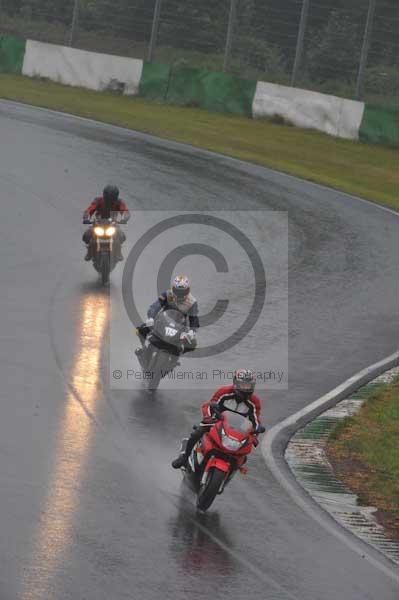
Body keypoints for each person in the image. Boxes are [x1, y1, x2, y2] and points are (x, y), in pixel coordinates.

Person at [171, 368, 264, 469]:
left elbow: (256, 420)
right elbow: (209, 405)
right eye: (243, 385)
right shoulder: (224, 392)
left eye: (248, 386)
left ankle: (231, 470)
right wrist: (208, 417)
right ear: (235, 383)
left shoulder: (254, 401)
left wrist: (254, 436)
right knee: (197, 433)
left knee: (244, 455)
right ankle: (184, 457)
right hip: (217, 421)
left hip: (237, 429)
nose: (246, 389)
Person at [137, 275, 199, 345]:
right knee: (141, 329)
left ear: (188, 290)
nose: (180, 294)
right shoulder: (167, 294)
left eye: (182, 292)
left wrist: (192, 331)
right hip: (163, 321)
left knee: (193, 343)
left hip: (180, 327)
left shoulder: (192, 302)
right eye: (177, 291)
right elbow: (155, 306)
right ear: (173, 289)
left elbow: (194, 318)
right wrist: (151, 317)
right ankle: (143, 347)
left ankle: (179, 352)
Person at [82, 185, 130, 261]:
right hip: (98, 222)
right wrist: (86, 217)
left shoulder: (119, 202)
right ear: (104, 195)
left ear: (116, 197)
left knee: (122, 236)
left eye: (112, 198)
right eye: (108, 198)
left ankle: (118, 252)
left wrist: (125, 218)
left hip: (112, 223)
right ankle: (89, 252)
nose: (110, 200)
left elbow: (124, 210)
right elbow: (90, 209)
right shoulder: (98, 200)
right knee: (86, 235)